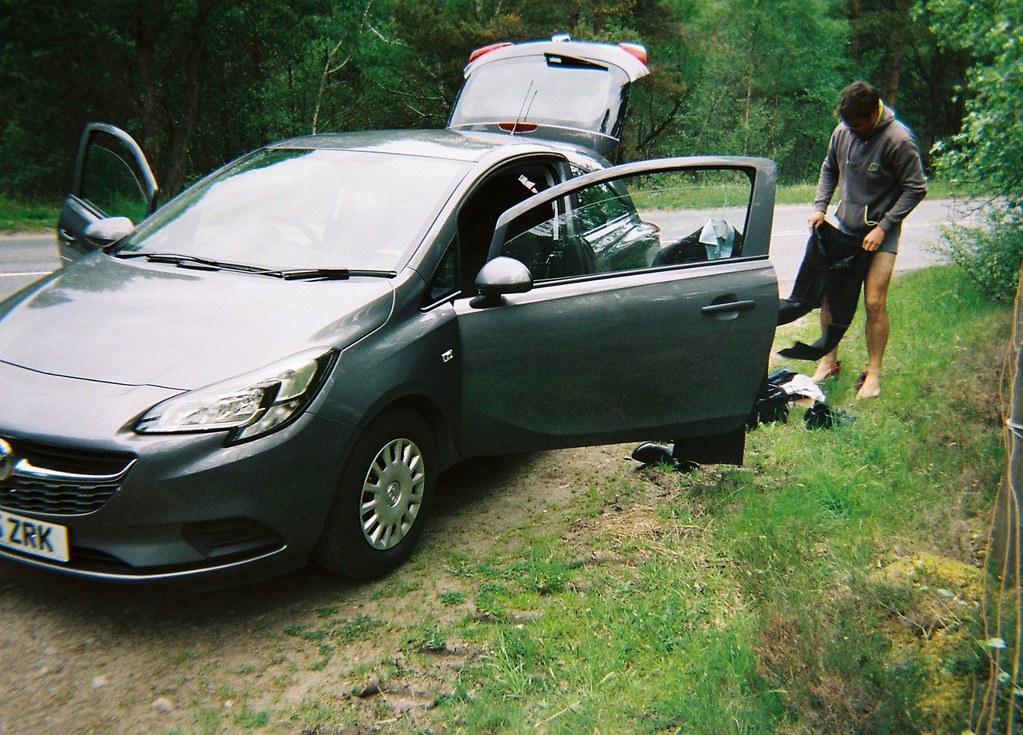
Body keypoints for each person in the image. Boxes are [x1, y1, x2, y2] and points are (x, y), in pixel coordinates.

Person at [808, 81, 927, 398]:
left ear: (874, 112)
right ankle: (828, 361)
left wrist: (884, 226)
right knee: (830, 298)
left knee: (874, 301)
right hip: (845, 230)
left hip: (880, 234)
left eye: (857, 125)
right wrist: (821, 207)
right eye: (848, 124)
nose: (852, 130)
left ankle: (873, 373)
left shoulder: (898, 140)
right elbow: (829, 167)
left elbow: (916, 188)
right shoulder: (843, 131)